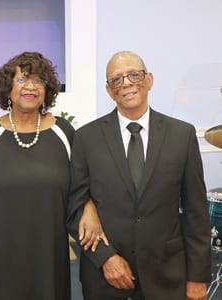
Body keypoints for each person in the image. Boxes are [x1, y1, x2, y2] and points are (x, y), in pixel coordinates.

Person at [67, 50, 212, 300]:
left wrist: (197, 278)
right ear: (109, 89)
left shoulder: (182, 135)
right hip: (105, 279)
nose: (126, 84)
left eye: (134, 74)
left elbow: (196, 212)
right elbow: (74, 207)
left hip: (167, 277)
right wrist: (106, 258)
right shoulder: (86, 138)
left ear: (149, 80)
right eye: (117, 79)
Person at [0, 51, 75, 299]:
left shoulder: (65, 132)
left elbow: (83, 190)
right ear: (8, 88)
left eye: (39, 81)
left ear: (47, 89)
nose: (31, 86)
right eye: (22, 79)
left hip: (50, 259)